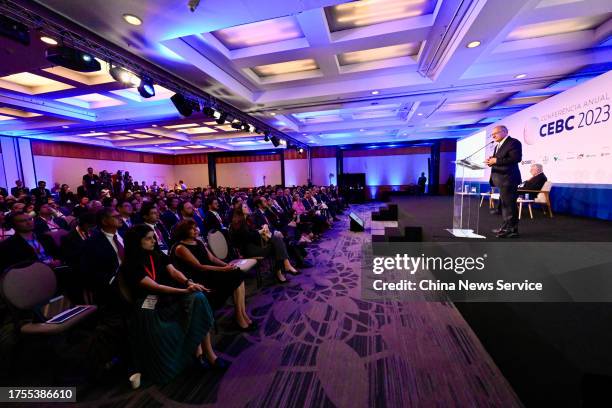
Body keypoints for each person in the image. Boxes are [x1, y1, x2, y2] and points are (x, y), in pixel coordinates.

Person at [120, 224, 227, 384]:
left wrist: (188, 282)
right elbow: (155, 287)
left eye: (153, 237)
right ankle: (194, 355)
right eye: (148, 238)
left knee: (199, 298)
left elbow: (173, 272)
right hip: (148, 305)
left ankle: (208, 354)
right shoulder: (130, 264)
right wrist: (185, 291)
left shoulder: (156, 254)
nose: (153, 241)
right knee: (193, 297)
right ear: (137, 242)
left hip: (167, 296)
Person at [170, 220, 254, 330]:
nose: (196, 230)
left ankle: (242, 314)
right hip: (199, 278)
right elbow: (199, 266)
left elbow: (212, 258)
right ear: (183, 232)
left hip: (210, 272)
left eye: (196, 227)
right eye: (192, 228)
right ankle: (239, 317)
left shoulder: (198, 241)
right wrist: (224, 270)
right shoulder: (180, 248)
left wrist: (228, 266)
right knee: (234, 277)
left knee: (237, 273)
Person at [229, 206, 298, 283]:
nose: (247, 207)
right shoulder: (237, 223)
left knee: (277, 243)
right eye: (245, 207)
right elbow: (248, 237)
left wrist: (262, 229)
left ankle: (282, 269)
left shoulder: (247, 220)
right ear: (240, 211)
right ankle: (282, 269)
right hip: (249, 250)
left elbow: (253, 233)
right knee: (277, 243)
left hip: (256, 246)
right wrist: (261, 231)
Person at [486, 125, 522, 238]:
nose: (493, 136)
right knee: (505, 206)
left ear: (504, 132)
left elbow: (516, 158)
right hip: (501, 179)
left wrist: (496, 160)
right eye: (492, 134)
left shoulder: (513, 142)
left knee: (509, 206)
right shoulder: (498, 145)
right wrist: (491, 161)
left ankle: (512, 230)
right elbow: (500, 160)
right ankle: (505, 227)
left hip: (509, 179)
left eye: (495, 133)